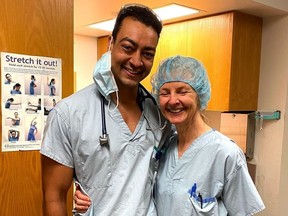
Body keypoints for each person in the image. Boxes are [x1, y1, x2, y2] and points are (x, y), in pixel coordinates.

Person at [74, 55, 265, 215]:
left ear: (199, 95)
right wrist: (88, 196)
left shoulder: (226, 154)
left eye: (182, 91)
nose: (173, 101)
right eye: (165, 93)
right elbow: (132, 184)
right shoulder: (164, 146)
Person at [40, 4, 171, 216]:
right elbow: (53, 198)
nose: (136, 61)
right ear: (111, 43)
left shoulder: (160, 116)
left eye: (147, 54)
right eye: (128, 47)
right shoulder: (68, 114)